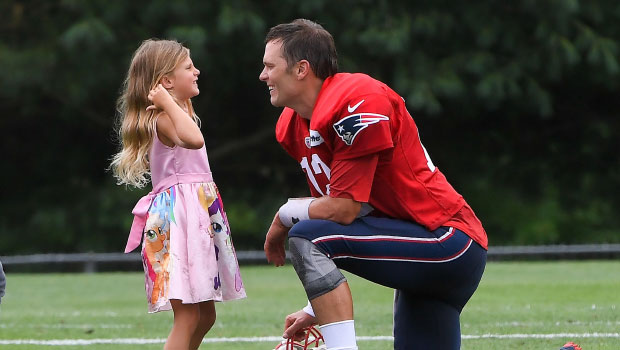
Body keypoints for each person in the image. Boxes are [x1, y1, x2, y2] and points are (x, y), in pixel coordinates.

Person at [259, 19, 488, 350]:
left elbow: (343, 210)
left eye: (270, 66)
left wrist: (283, 215)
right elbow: (342, 220)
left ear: (301, 69)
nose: (263, 76)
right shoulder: (294, 126)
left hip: (448, 241)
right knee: (310, 232)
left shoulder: (356, 100)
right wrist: (316, 307)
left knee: (304, 234)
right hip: (421, 258)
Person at [110, 39, 246, 350]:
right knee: (186, 317)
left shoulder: (176, 114)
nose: (197, 71)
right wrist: (168, 102)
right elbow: (195, 141)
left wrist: (174, 103)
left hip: (196, 216)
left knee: (204, 316)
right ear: (166, 81)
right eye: (188, 67)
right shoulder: (163, 117)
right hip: (177, 222)